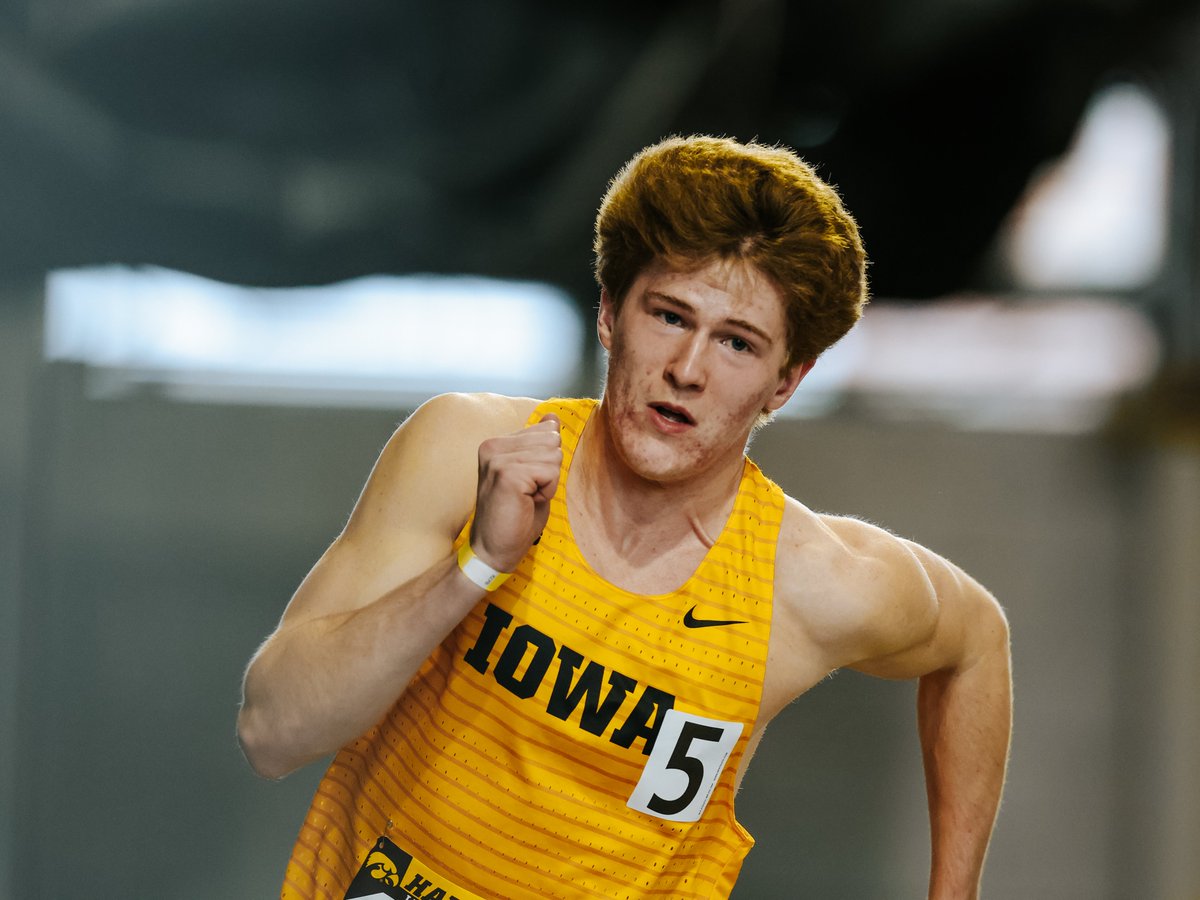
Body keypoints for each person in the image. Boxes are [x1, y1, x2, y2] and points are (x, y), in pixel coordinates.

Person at [237, 135, 1012, 900]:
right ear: (609, 314)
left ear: (786, 382)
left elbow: (977, 642)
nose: (689, 369)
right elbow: (273, 734)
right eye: (670, 317)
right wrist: (476, 567)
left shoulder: (806, 584)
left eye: (737, 343)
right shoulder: (469, 449)